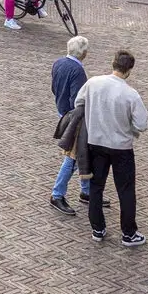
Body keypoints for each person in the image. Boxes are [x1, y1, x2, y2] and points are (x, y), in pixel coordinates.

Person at [72, 50, 148, 245]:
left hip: (96, 142)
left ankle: (97, 228)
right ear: (129, 70)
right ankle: (128, 233)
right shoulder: (130, 94)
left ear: (113, 63)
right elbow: (142, 124)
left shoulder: (93, 83)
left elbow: (78, 103)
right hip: (121, 147)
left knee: (96, 186)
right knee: (125, 189)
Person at [48, 35, 94, 214]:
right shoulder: (78, 71)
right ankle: (57, 194)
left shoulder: (58, 63)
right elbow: (78, 99)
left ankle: (86, 191)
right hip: (74, 117)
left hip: (62, 111)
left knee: (82, 154)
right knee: (73, 157)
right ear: (83, 53)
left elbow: (54, 87)